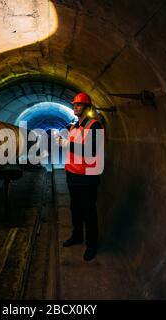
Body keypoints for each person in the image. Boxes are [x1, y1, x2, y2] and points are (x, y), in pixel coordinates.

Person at [58, 92, 103, 261]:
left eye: (79, 105)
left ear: (87, 107)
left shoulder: (94, 126)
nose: (75, 107)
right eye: (74, 105)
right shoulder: (73, 126)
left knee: (89, 211)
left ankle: (91, 245)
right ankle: (77, 236)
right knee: (75, 208)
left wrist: (66, 144)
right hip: (72, 174)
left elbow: (91, 152)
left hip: (87, 177)